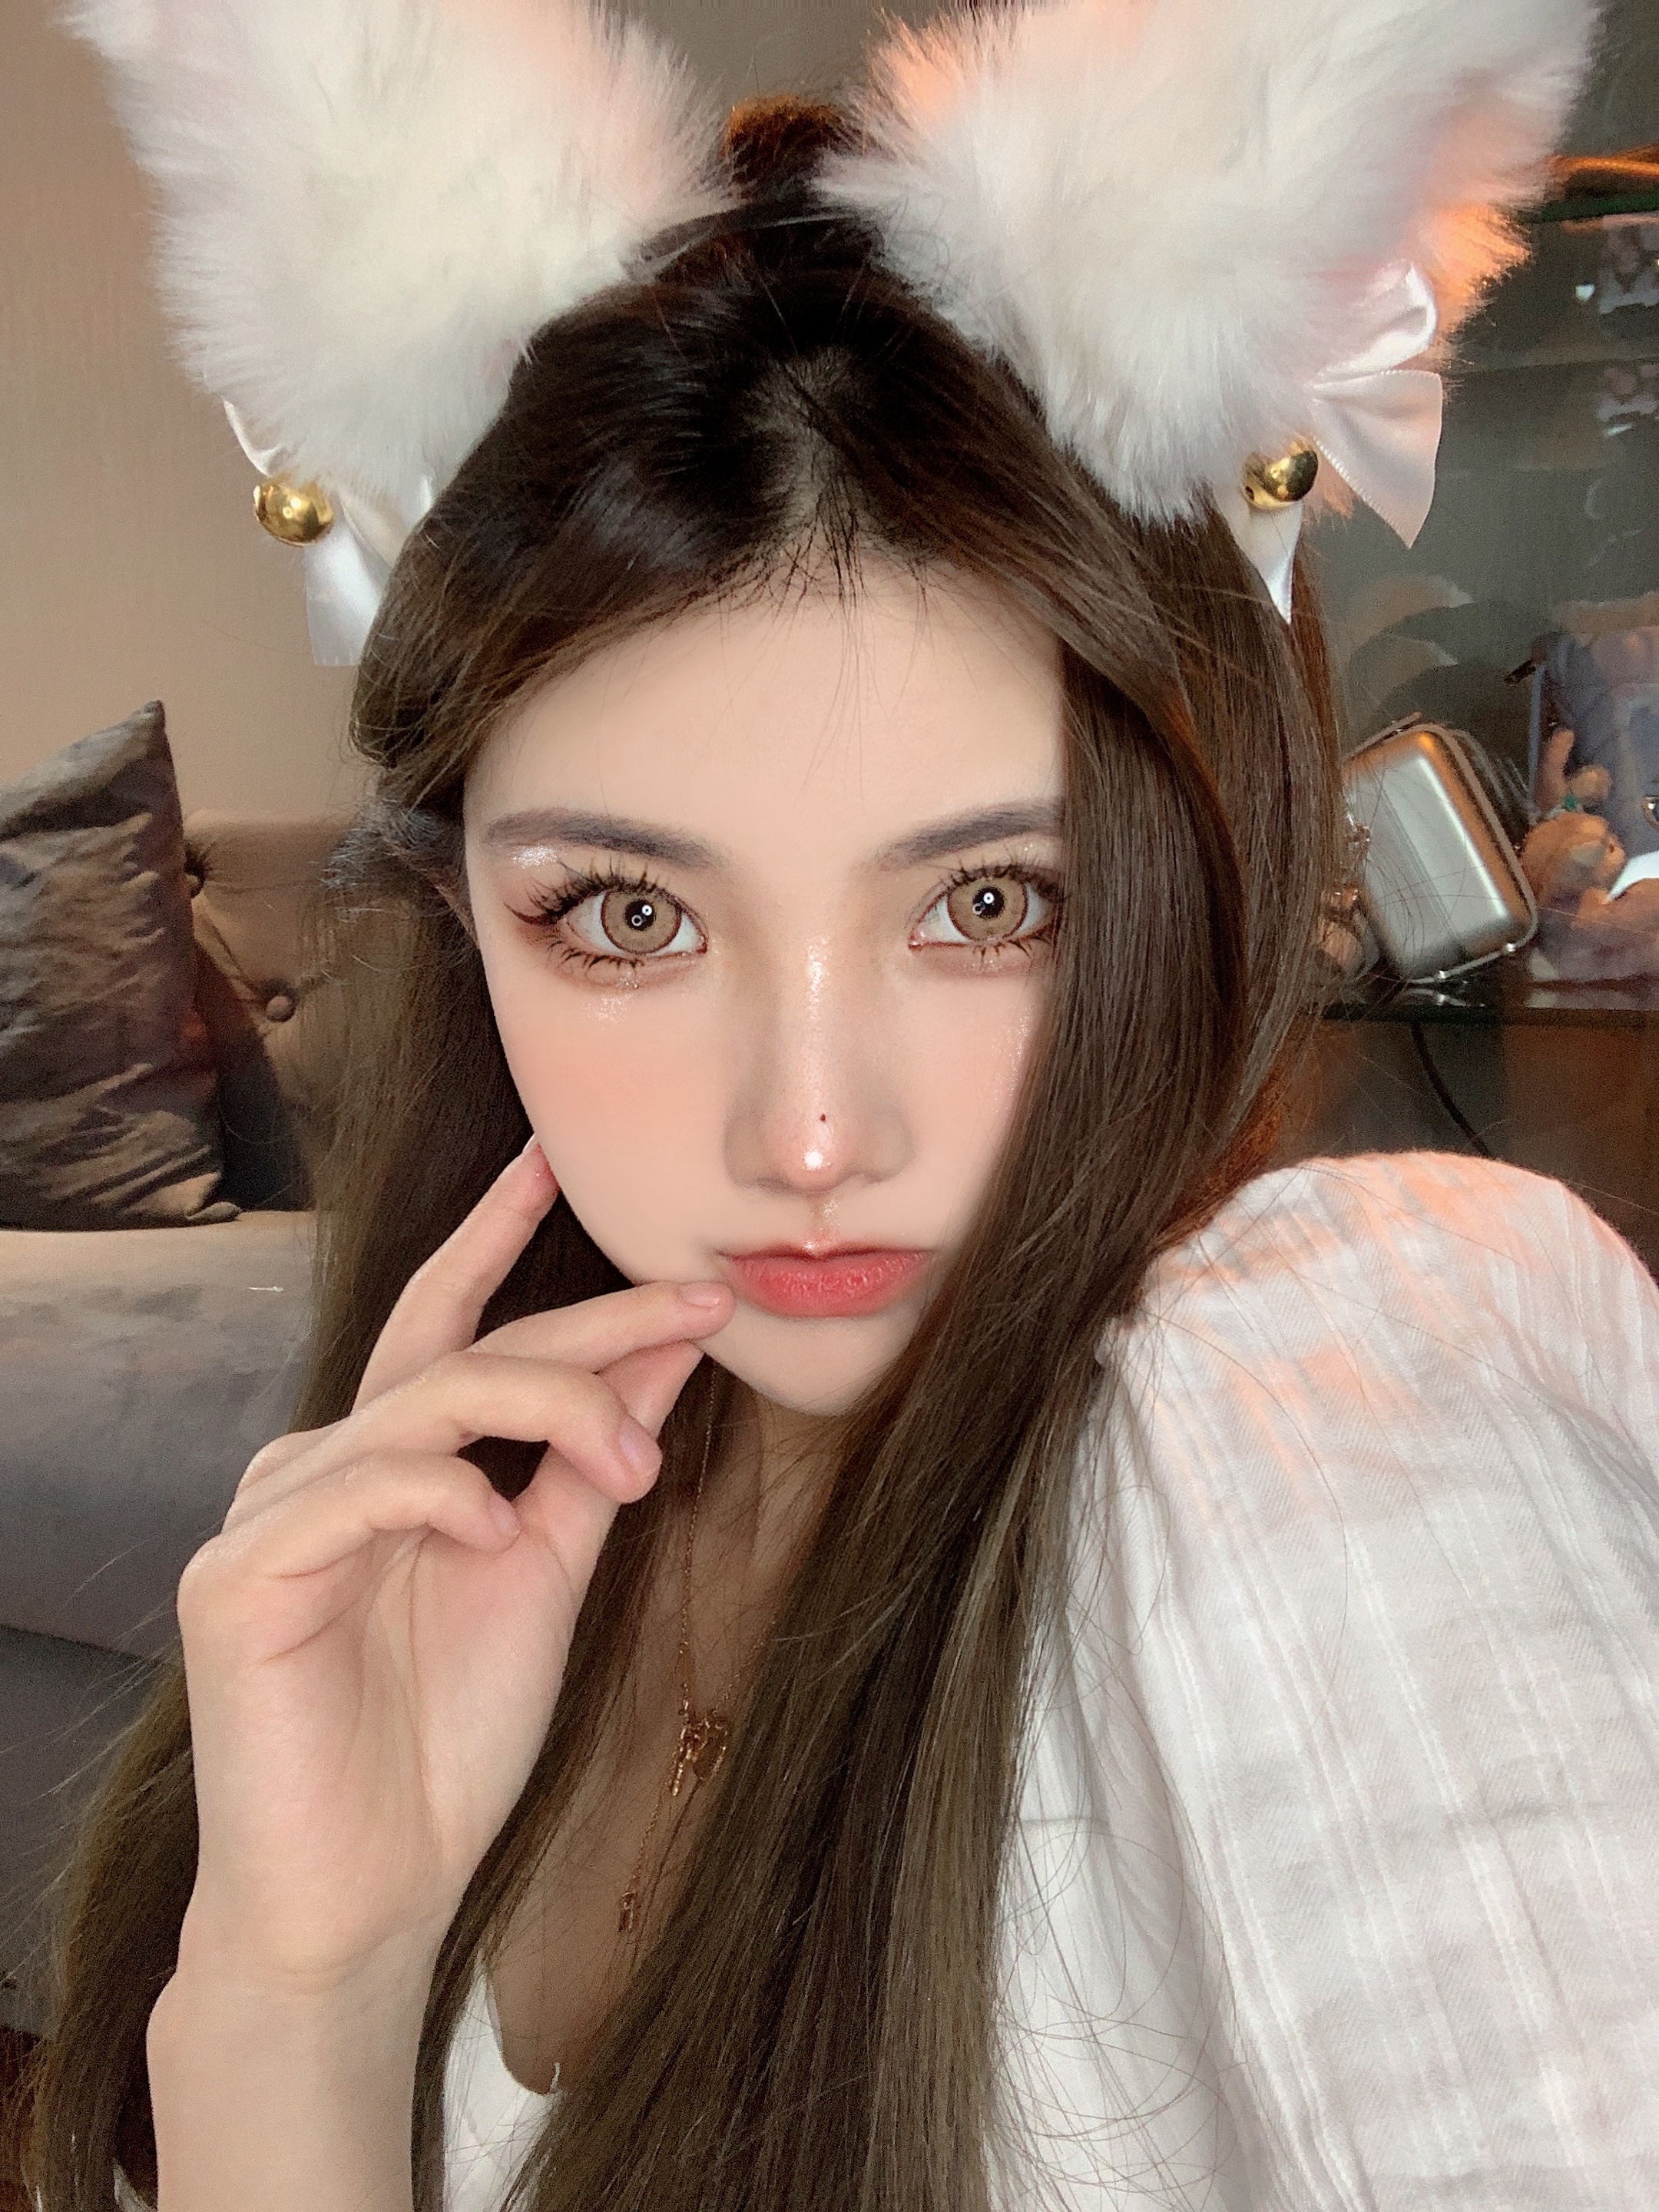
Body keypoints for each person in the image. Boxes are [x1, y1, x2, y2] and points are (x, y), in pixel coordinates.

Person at [26, 2, 1658, 2208]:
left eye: (990, 902)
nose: (809, 1138)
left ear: (1199, 867)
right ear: (464, 911)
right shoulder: (475, 1539)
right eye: (627, 916)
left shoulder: (1321, 1402)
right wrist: (301, 1989)